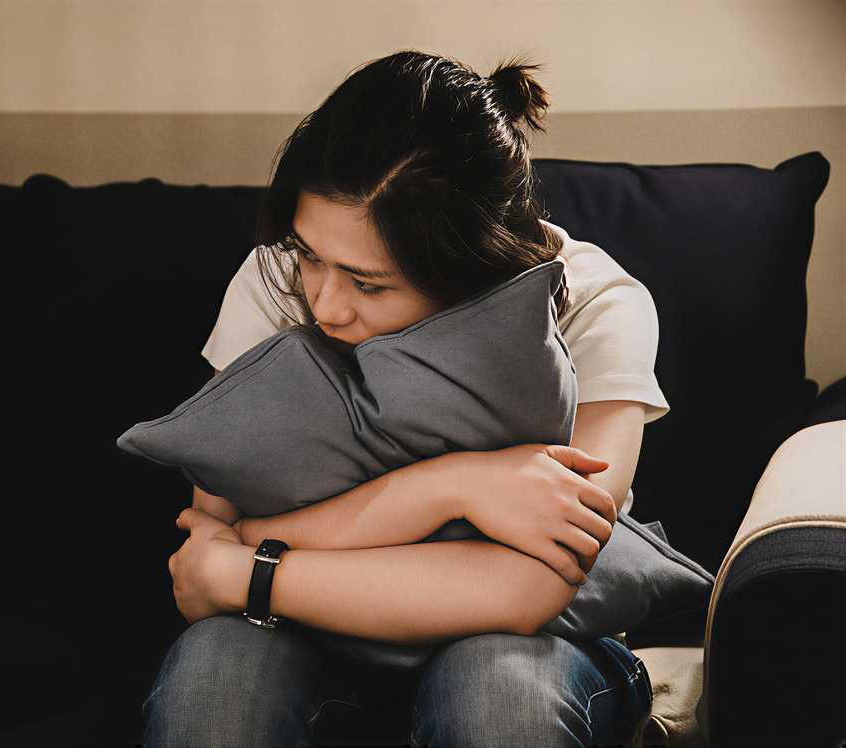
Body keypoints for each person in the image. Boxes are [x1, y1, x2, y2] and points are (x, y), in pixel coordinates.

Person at [142, 49, 666, 747]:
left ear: (474, 264)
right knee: (214, 690)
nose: (325, 305)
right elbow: (206, 540)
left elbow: (531, 585)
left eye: (370, 284)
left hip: (531, 638)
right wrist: (457, 489)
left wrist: (250, 566)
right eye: (311, 256)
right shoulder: (276, 279)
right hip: (307, 634)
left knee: (498, 700)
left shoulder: (596, 303)